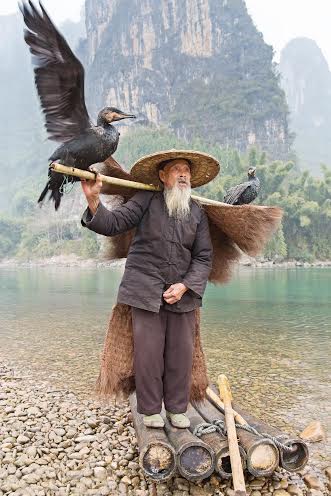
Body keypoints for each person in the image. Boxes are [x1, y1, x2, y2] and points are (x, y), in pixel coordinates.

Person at [80, 150, 219, 428]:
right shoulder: (145, 200)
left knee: (181, 353)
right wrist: (94, 199)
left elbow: (204, 257)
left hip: (183, 296)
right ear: (162, 176)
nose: (183, 174)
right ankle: (151, 410)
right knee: (149, 354)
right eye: (176, 169)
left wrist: (185, 286)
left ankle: (178, 409)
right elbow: (114, 223)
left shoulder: (197, 213)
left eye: (187, 171)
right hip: (144, 291)